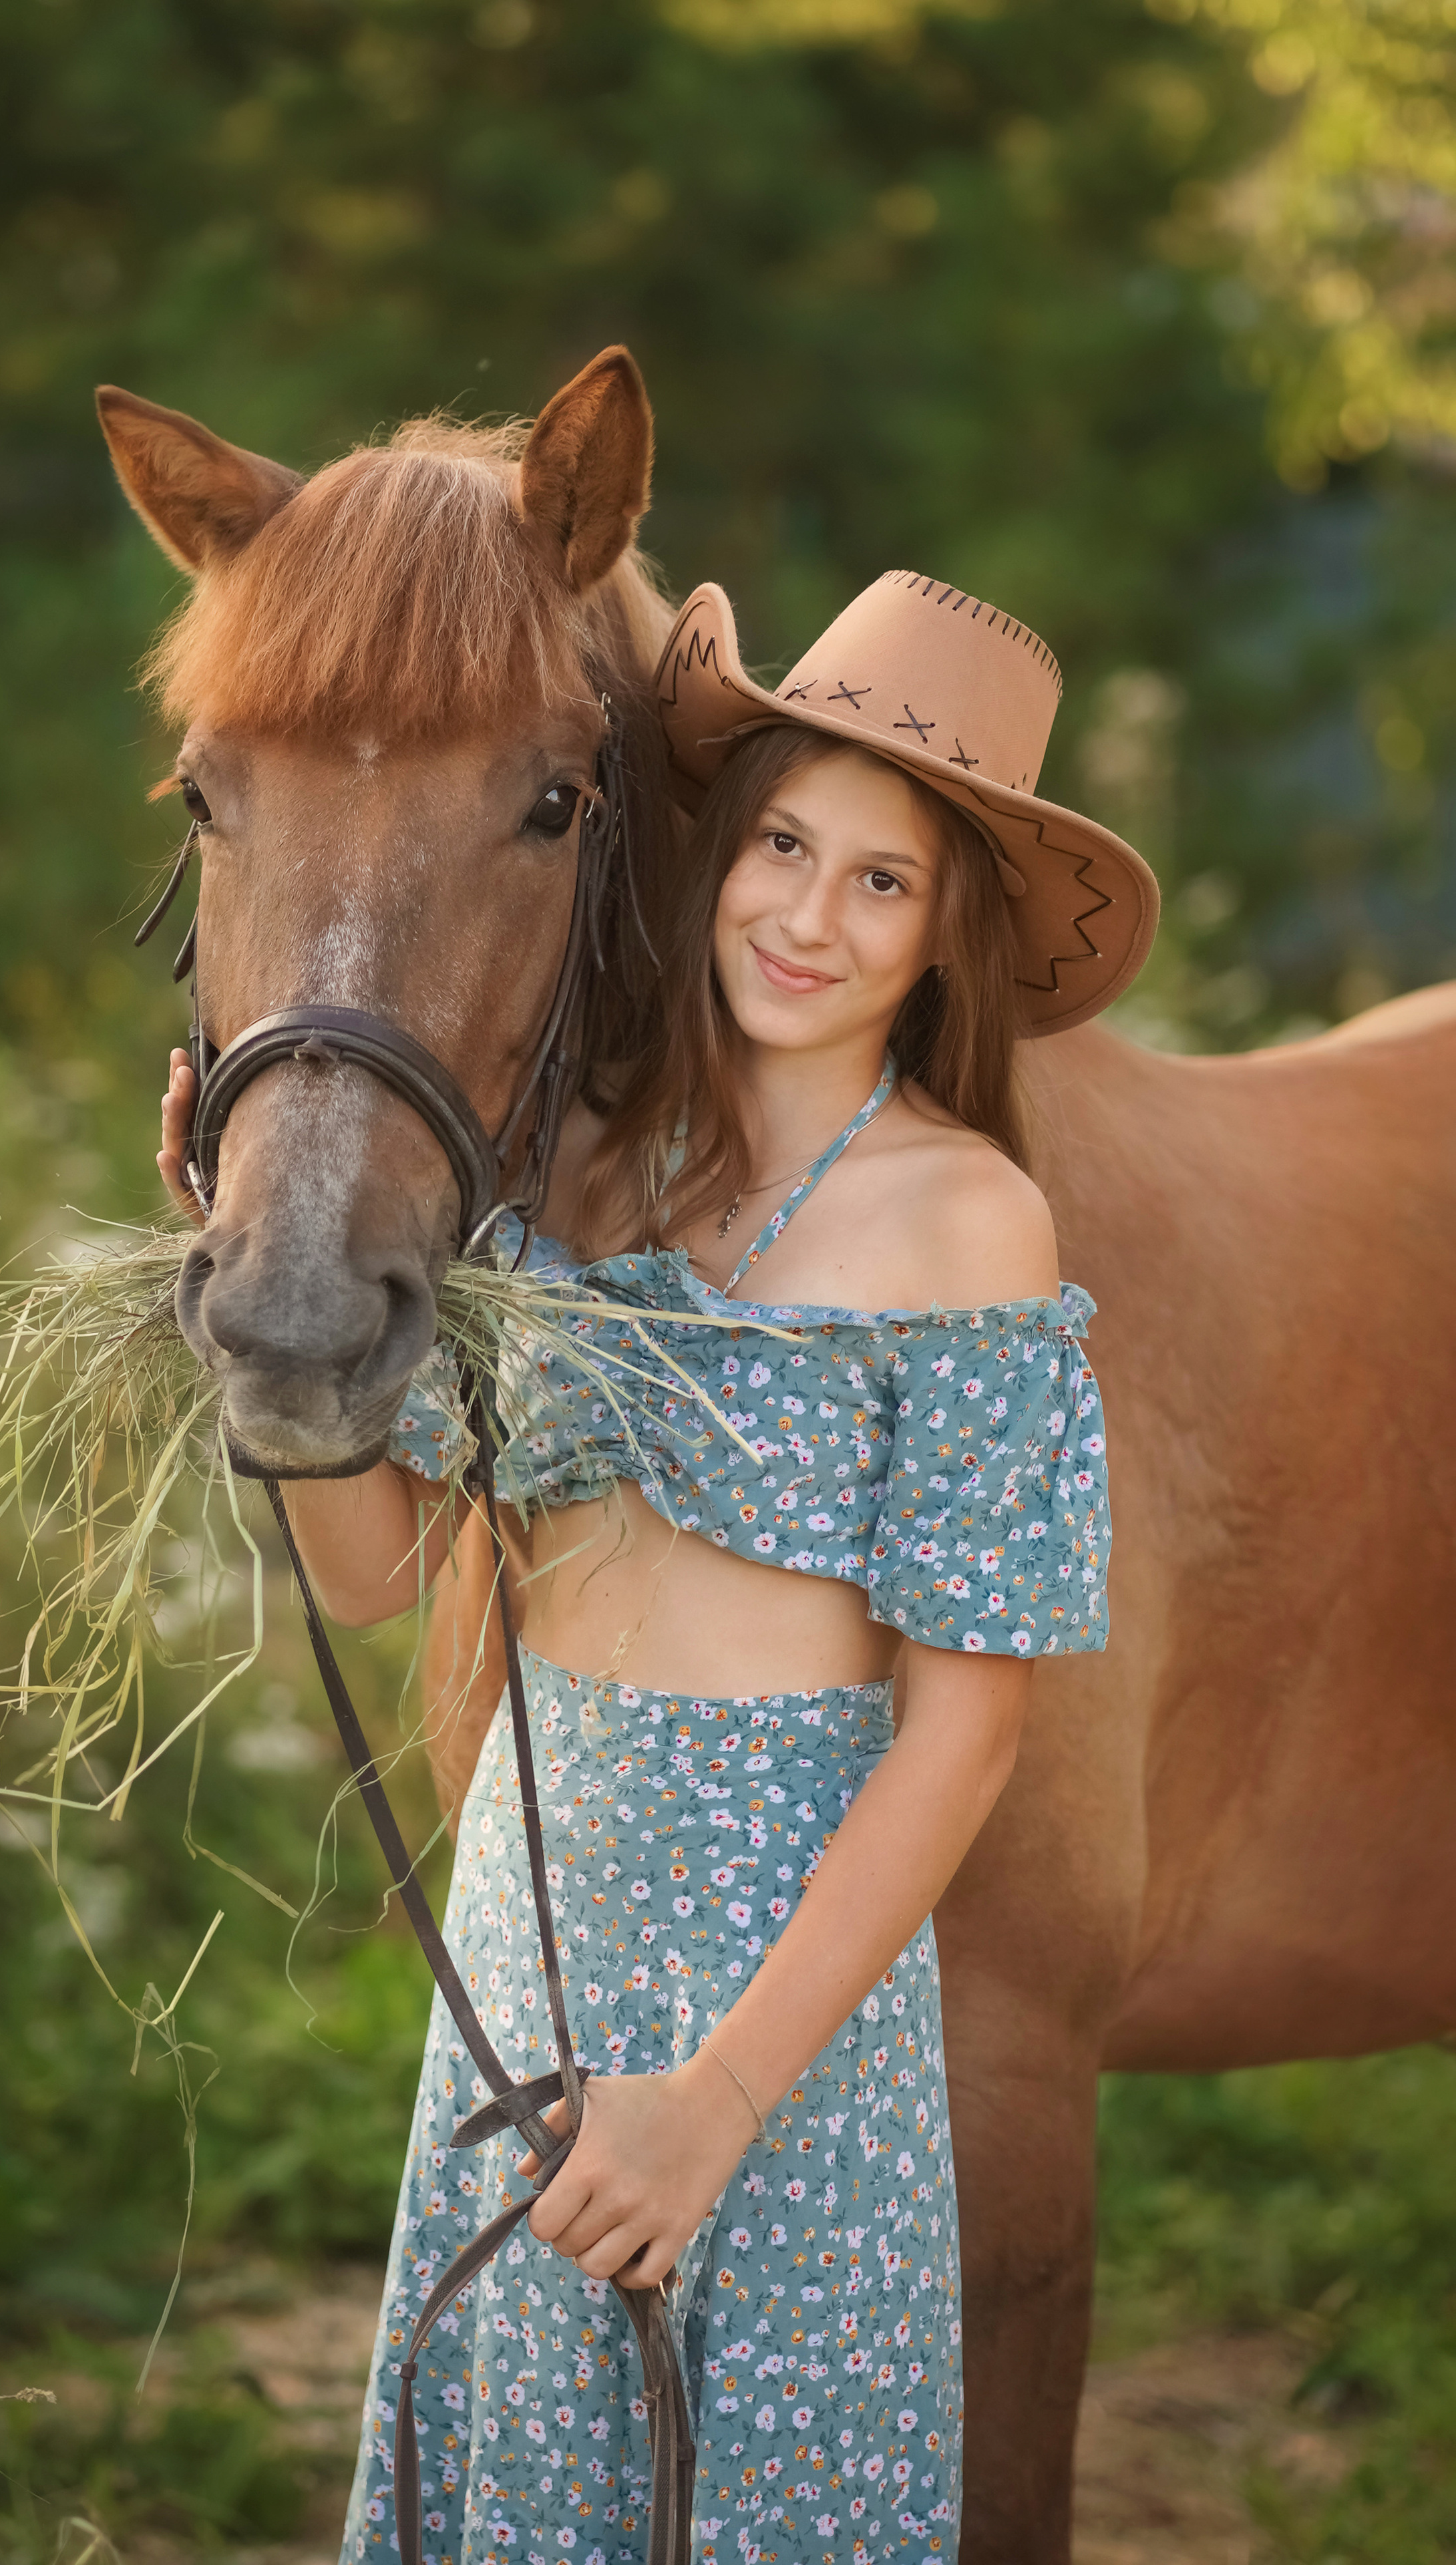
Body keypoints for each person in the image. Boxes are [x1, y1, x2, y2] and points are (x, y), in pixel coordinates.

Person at [157, 569, 1157, 2565]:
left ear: (944, 935)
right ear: (716, 852)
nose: (809, 915)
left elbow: (961, 1739)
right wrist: (255, 1285)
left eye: (882, 882)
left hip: (776, 2021)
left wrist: (715, 2103)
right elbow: (375, 1575)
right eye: (782, 845)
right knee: (531, 2494)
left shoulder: (966, 1224)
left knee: (760, 2492)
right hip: (534, 1963)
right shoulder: (585, 1178)